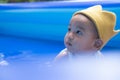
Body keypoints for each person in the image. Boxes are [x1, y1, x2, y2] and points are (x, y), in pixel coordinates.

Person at [54, 5, 120, 62]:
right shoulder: (64, 57)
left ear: (97, 44)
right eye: (69, 29)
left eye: (78, 32)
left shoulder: (99, 58)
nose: (70, 36)